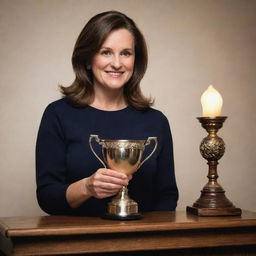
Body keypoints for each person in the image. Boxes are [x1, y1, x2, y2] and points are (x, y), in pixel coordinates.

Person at [36, 11, 178, 216]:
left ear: (135, 61)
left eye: (126, 53)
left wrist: (146, 240)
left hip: (143, 243)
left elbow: (167, 196)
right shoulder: (58, 114)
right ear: (87, 59)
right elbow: (47, 197)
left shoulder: (156, 121)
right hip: (78, 242)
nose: (117, 63)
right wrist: (87, 187)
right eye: (106, 52)